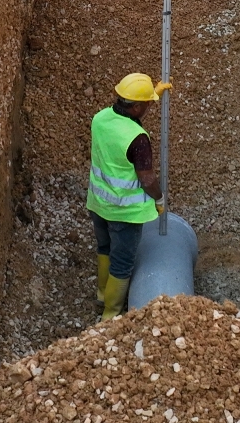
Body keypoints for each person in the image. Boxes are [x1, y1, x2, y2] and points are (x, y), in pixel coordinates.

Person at [87, 72, 166, 321]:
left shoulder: (100, 119)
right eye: (148, 104)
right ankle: (110, 316)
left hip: (98, 203)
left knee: (104, 248)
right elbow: (147, 179)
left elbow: (119, 131)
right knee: (122, 263)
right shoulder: (138, 139)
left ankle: (101, 296)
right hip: (124, 212)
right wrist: (159, 199)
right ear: (137, 106)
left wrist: (152, 94)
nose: (149, 108)